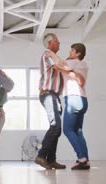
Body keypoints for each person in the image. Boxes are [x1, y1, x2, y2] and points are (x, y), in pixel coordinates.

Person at [46, 43, 90, 170]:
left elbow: (61, 64)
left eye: (72, 51)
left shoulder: (74, 62)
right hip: (83, 99)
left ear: (78, 54)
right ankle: (85, 160)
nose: (70, 52)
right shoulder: (84, 64)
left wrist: (52, 54)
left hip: (73, 99)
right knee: (78, 131)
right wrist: (60, 68)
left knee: (67, 130)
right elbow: (65, 70)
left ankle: (81, 159)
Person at [34, 33, 66, 170]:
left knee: (57, 130)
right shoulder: (47, 54)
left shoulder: (52, 55)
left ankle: (51, 160)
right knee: (55, 126)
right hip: (48, 95)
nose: (59, 43)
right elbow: (61, 65)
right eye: (57, 41)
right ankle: (41, 156)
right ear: (49, 43)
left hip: (54, 96)